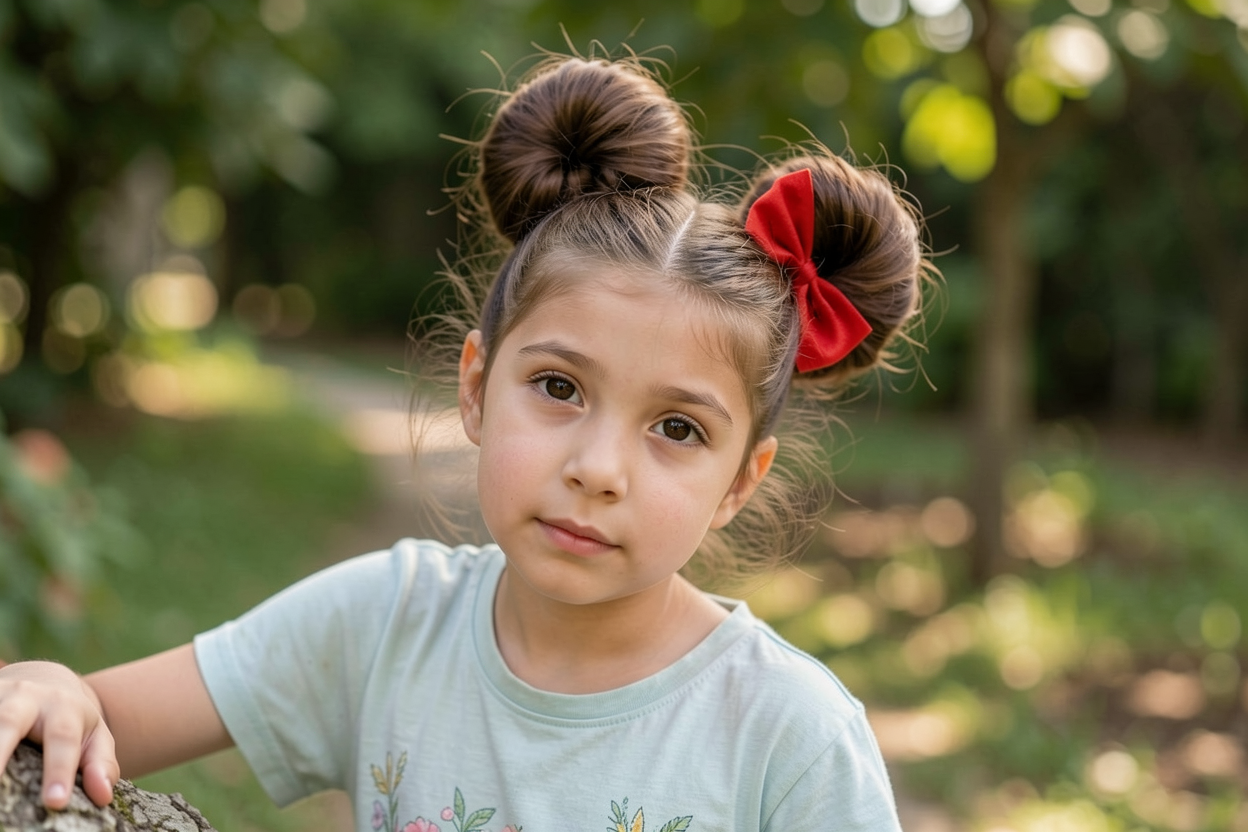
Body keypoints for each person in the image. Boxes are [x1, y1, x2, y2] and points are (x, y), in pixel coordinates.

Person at [0, 53, 931, 831]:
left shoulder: (790, 738)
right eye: (559, 388)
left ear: (740, 481)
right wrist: (51, 684)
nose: (598, 469)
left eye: (679, 429)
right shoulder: (388, 623)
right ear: (478, 387)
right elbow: (96, 715)